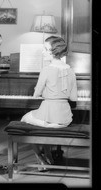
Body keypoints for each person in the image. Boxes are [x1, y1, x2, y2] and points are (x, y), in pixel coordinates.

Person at [20, 36, 78, 171]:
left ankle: (40, 158)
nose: (43, 52)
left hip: (49, 116)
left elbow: (36, 94)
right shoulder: (71, 71)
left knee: (25, 119)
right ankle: (48, 154)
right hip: (65, 119)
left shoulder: (46, 70)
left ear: (53, 52)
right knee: (44, 122)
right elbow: (74, 98)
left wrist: (47, 93)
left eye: (45, 49)